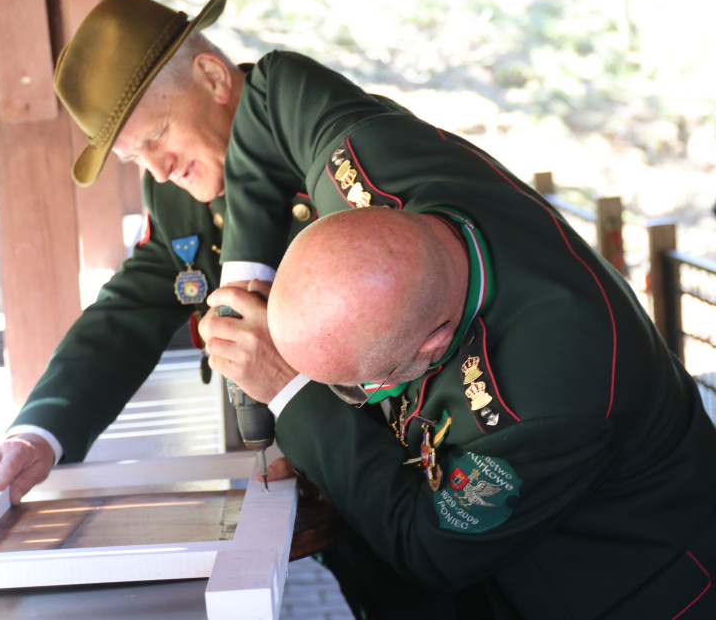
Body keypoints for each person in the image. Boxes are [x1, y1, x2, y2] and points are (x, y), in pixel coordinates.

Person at [205, 151, 716, 614]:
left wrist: (291, 393)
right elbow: (266, 99)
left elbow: (431, 550)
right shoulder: (382, 158)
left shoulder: (547, 399)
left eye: (356, 385)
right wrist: (330, 466)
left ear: (435, 340)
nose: (360, 398)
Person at [0, 0, 314, 504]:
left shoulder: (311, 135)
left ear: (213, 78)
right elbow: (130, 309)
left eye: (157, 138)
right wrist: (38, 433)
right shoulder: (175, 193)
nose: (160, 172)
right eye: (137, 159)